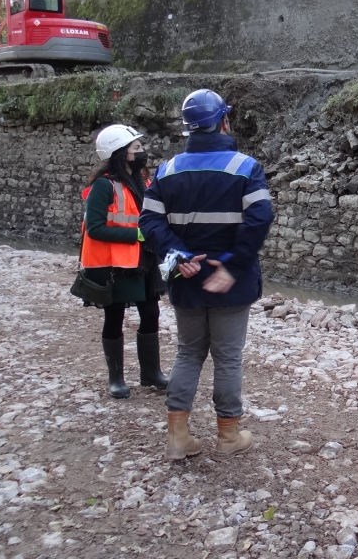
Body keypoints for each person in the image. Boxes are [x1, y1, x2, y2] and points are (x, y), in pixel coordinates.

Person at [140, 89, 273, 461]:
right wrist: (231, 264)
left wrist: (175, 252)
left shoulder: (167, 170)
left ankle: (178, 437)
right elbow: (260, 217)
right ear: (223, 121)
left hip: (186, 278)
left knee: (188, 353)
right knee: (227, 358)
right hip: (230, 281)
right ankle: (228, 436)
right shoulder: (244, 167)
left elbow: (149, 220)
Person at [80, 124, 169, 399]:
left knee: (151, 313)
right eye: (136, 148)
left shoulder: (141, 182)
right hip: (115, 264)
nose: (142, 151)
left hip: (143, 260)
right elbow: (94, 228)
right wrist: (137, 233)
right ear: (122, 153)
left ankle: (150, 373)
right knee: (114, 317)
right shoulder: (103, 185)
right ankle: (115, 379)